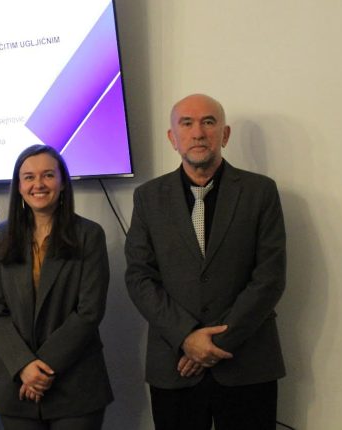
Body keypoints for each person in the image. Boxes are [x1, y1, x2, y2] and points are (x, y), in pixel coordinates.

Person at [125, 94, 287, 430]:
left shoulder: (260, 192)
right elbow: (140, 277)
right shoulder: (148, 197)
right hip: (175, 365)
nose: (198, 133)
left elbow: (269, 278)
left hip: (246, 364)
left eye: (208, 122)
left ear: (224, 135)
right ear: (173, 138)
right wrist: (186, 337)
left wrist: (212, 345)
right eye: (186, 123)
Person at [0, 144, 113, 430]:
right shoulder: (1, 236)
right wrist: (24, 365)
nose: (38, 184)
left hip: (75, 385)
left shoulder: (89, 235)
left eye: (48, 175)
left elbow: (89, 311)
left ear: (62, 182)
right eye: (28, 177)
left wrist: (40, 369)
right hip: (15, 384)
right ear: (19, 186)